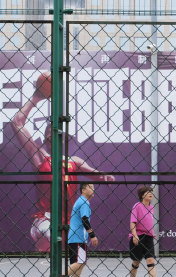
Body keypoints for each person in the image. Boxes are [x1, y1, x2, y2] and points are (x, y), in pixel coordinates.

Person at [11, 80, 114, 252]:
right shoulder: (40, 157)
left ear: (64, 138)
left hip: (69, 220)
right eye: (48, 135)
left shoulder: (74, 161)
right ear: (45, 140)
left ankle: (60, 270)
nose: (52, 138)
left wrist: (104, 177)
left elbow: (96, 174)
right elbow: (17, 123)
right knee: (51, 235)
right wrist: (36, 97)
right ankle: (43, 254)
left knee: (78, 246)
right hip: (45, 219)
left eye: (56, 134)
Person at [128, 186, 163, 277]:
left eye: (151, 192)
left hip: (148, 238)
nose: (150, 193)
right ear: (142, 195)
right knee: (136, 262)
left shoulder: (152, 207)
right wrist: (134, 235)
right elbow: (132, 222)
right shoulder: (137, 206)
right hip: (138, 237)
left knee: (150, 260)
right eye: (148, 192)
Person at [66, 183, 99, 277]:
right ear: (84, 189)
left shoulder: (81, 201)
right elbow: (84, 219)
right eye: (91, 187)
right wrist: (92, 235)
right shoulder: (84, 202)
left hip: (77, 237)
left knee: (81, 262)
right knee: (80, 262)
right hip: (78, 237)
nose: (93, 189)